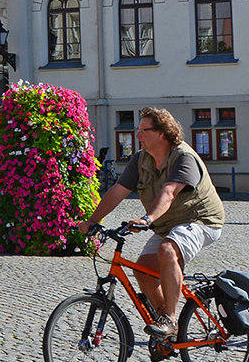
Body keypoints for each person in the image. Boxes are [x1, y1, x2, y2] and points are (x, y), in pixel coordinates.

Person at [76, 107, 225, 343]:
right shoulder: (141, 159)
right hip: (167, 224)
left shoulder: (183, 157)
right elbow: (117, 191)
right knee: (142, 268)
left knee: (167, 250)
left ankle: (171, 319)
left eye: (144, 131)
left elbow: (169, 192)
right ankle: (164, 326)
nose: (138, 136)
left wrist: (147, 220)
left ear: (162, 134)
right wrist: (92, 221)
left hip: (200, 220)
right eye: (138, 131)